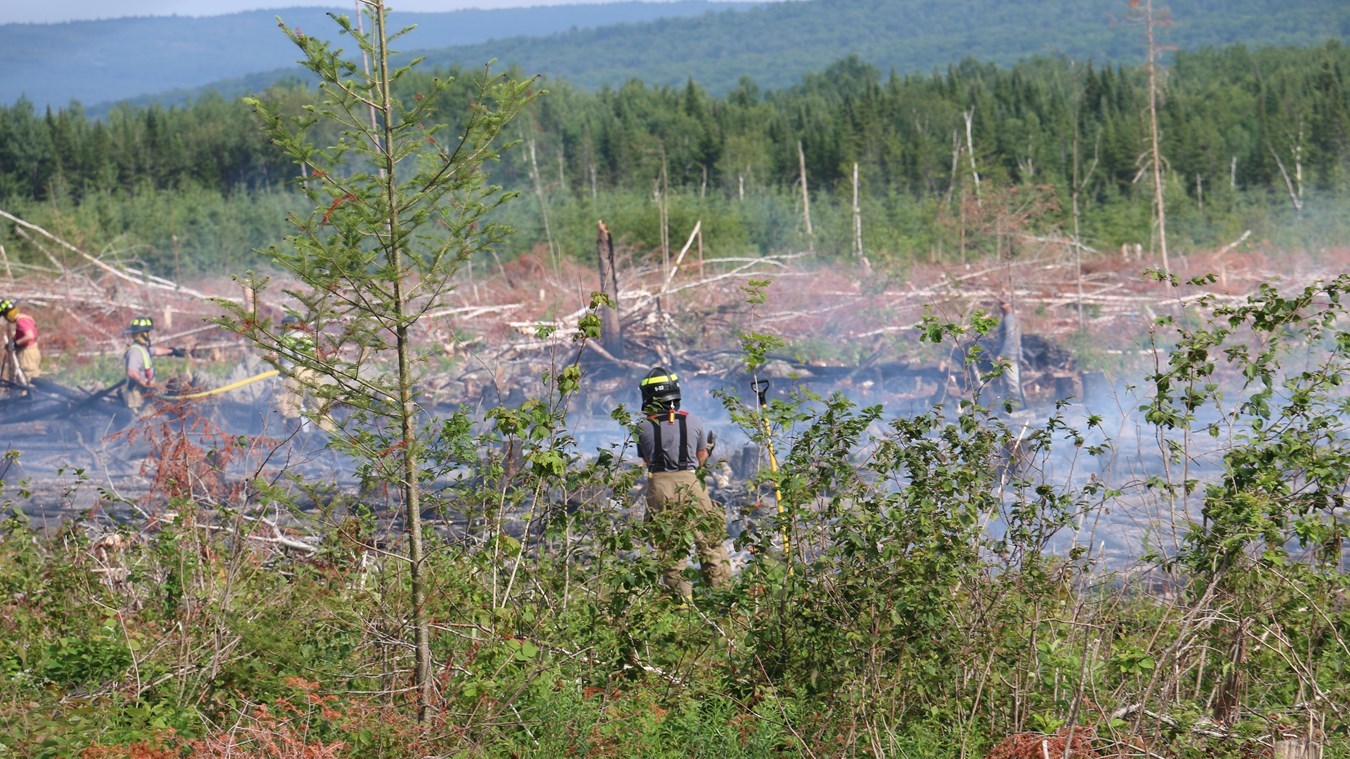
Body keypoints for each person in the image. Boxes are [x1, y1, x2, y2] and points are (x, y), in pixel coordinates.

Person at [635, 367, 731, 600]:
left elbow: (647, 461)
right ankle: (723, 603)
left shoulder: (642, 427)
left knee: (670, 554)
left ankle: (680, 607)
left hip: (659, 486)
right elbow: (700, 460)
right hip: (691, 484)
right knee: (710, 546)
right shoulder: (694, 421)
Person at [272, 313, 335, 434]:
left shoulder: (279, 341)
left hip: (292, 375)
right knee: (320, 408)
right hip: (312, 374)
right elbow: (316, 357)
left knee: (290, 410)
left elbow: (275, 362)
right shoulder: (306, 338)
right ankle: (331, 440)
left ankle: (296, 442)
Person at [122, 316, 179, 413]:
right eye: (148, 332)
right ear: (142, 334)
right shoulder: (135, 352)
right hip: (136, 396)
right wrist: (144, 382)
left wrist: (172, 351)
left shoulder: (143, 349)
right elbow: (131, 372)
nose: (149, 335)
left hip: (144, 393)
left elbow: (156, 351)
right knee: (141, 421)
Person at [0, 299, 40, 387]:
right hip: (33, 350)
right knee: (31, 376)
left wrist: (15, 344)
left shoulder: (21, 322)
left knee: (29, 379)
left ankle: (31, 398)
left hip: (27, 353)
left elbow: (30, 336)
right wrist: (16, 336)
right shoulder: (26, 318)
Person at [994, 300, 1025, 407]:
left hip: (1009, 357)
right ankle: (1009, 409)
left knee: (1013, 385)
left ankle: (1020, 409)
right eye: (1000, 304)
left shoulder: (1009, 319)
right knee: (1008, 385)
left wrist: (1002, 354)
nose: (1001, 307)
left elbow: (1010, 337)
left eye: (1004, 304)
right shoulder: (1009, 319)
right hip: (1010, 356)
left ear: (1010, 305)